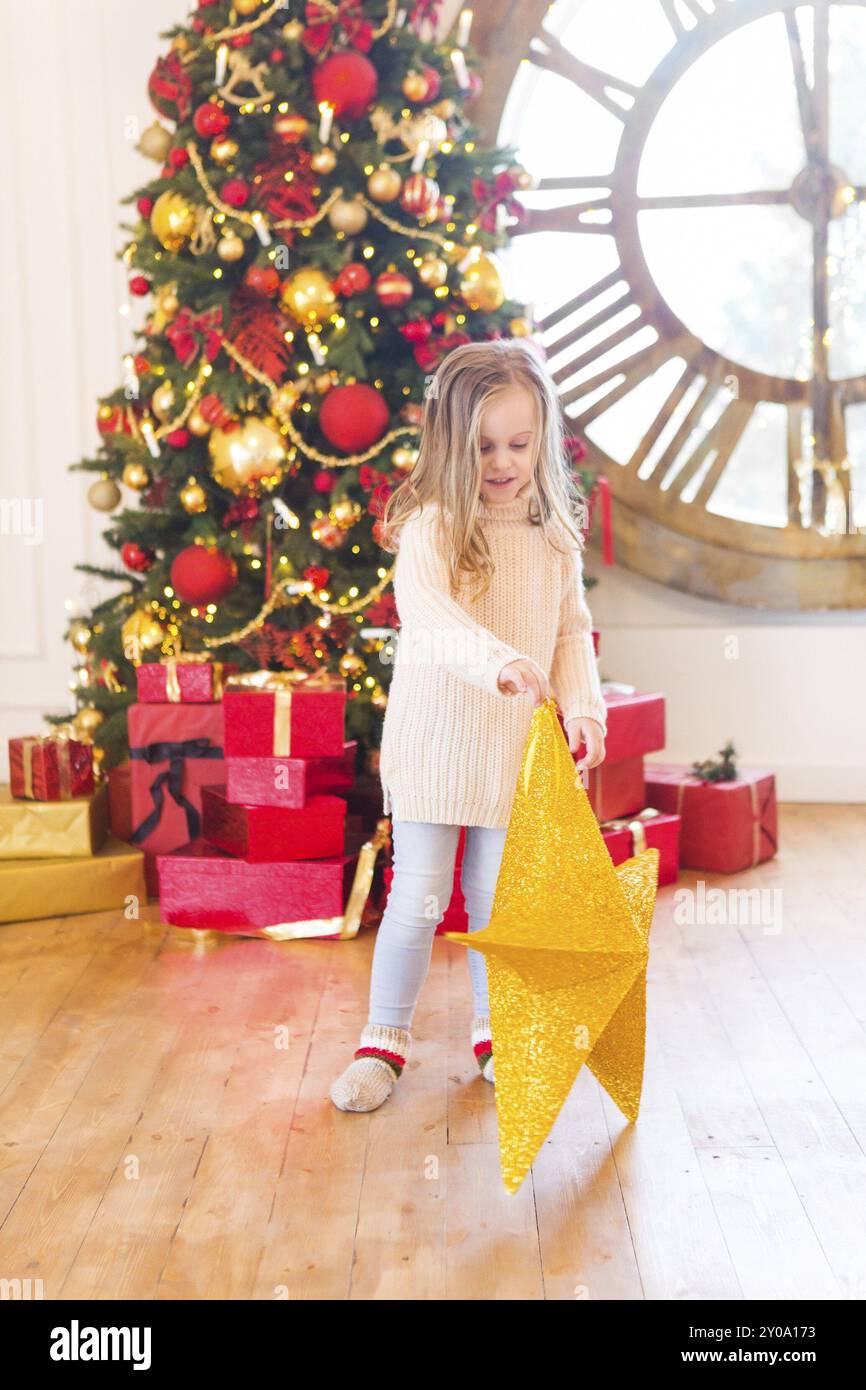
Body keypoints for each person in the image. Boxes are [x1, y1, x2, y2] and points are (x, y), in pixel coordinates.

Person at [330, 337, 607, 1112]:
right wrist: (497, 664)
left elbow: (567, 630)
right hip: (435, 744)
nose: (503, 462)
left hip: (511, 748)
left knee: (494, 901)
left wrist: (583, 708)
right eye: (484, 445)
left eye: (520, 443)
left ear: (542, 439)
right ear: (452, 441)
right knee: (419, 895)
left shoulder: (553, 531)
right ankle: (383, 1042)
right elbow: (427, 616)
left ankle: (495, 1034)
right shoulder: (435, 525)